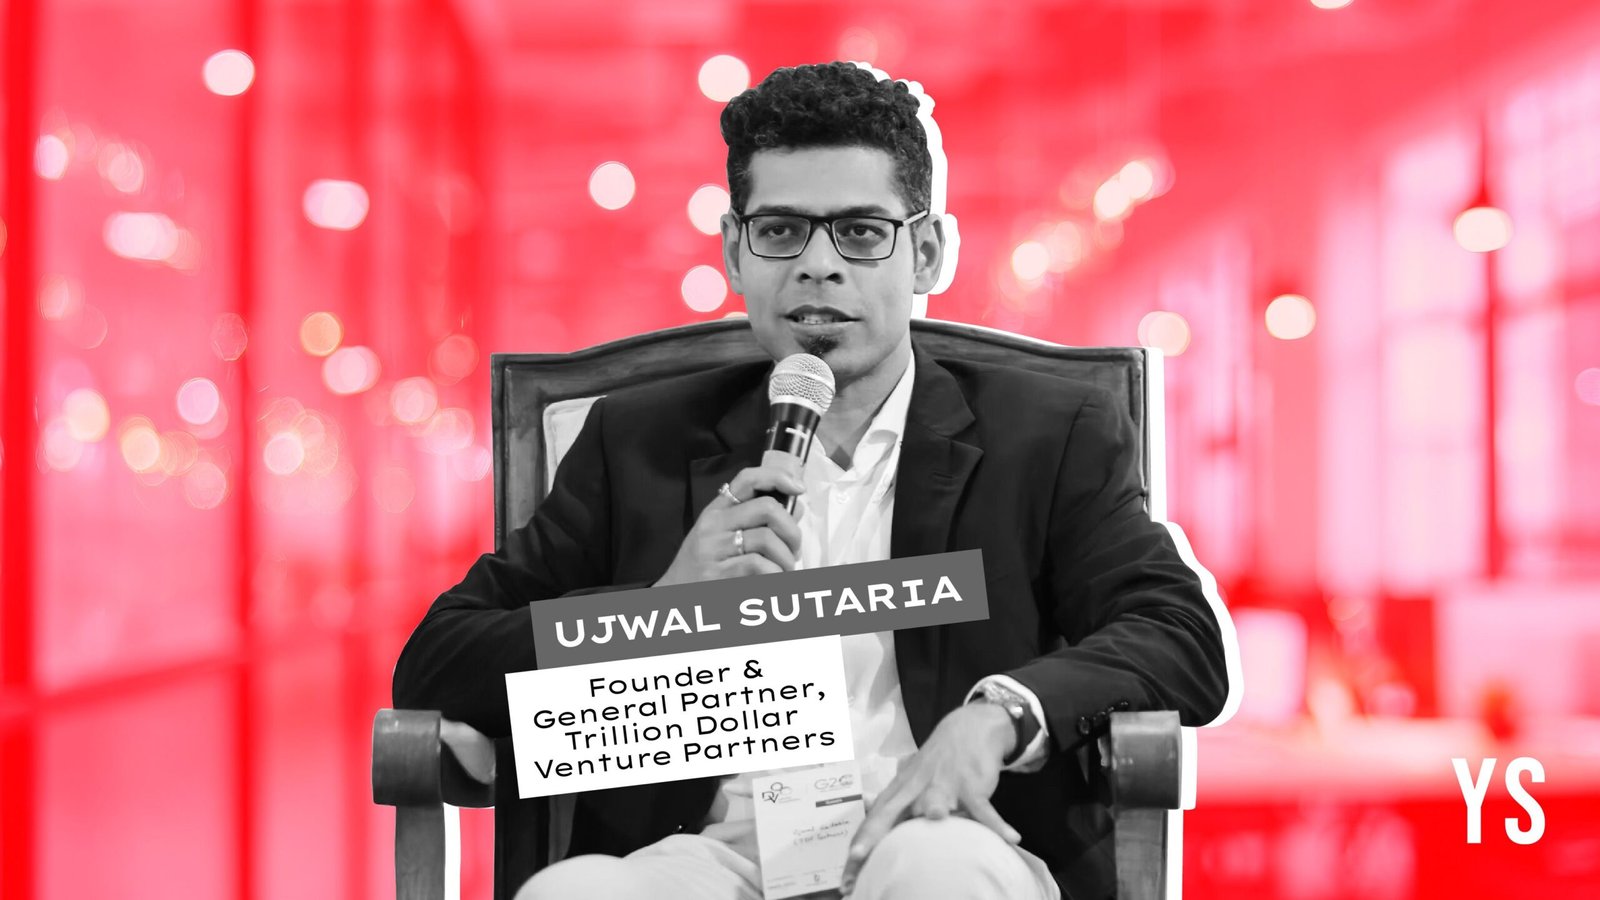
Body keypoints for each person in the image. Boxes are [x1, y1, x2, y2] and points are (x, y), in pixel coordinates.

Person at [393, 61, 1236, 900]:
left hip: (943, 833)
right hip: (711, 857)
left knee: (931, 871)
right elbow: (439, 664)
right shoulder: (637, 442)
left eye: (862, 233)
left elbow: (1179, 633)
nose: (818, 266)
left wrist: (999, 716)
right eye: (781, 231)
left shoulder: (1045, 435)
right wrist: (663, 608)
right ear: (736, 251)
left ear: (926, 253)